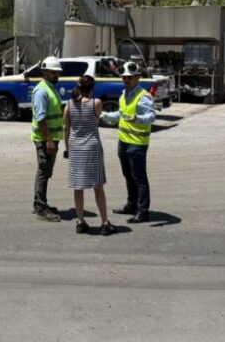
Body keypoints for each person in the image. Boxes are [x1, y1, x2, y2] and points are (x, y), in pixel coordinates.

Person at [101, 61, 156, 223]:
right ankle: (131, 205)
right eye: (124, 78)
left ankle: (143, 211)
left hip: (137, 143)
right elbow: (121, 113)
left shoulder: (143, 96)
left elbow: (152, 117)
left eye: (130, 78)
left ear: (138, 78)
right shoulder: (124, 94)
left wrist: (137, 118)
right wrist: (105, 115)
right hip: (123, 142)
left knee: (139, 178)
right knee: (128, 175)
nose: (126, 80)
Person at [63, 75, 115, 236]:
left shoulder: (69, 105)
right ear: (92, 88)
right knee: (98, 187)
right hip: (92, 147)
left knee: (78, 187)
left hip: (75, 147)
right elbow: (98, 117)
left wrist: (67, 148)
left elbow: (66, 129)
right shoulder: (96, 103)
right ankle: (105, 222)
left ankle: (80, 221)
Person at [31, 56, 65, 222]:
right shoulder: (42, 90)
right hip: (45, 139)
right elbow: (41, 119)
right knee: (44, 171)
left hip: (52, 138)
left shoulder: (51, 88)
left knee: (45, 171)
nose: (56, 75)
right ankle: (40, 208)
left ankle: (39, 202)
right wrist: (50, 140)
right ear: (44, 72)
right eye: (53, 72)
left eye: (57, 72)